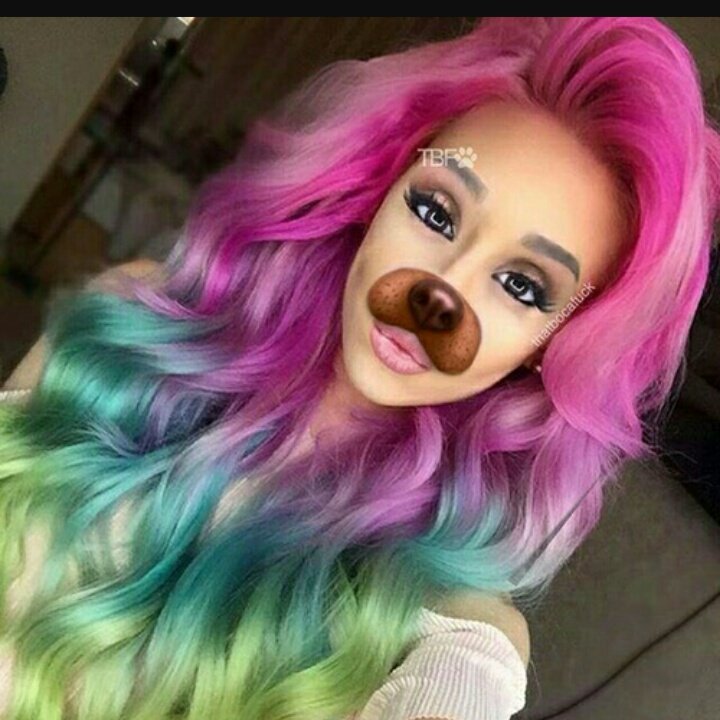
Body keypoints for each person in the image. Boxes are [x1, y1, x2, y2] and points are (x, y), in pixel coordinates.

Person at [0, 16, 719, 720]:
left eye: (522, 286)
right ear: (384, 185)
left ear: (555, 342)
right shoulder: (129, 323)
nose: (440, 295)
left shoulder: (448, 628)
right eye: (437, 212)